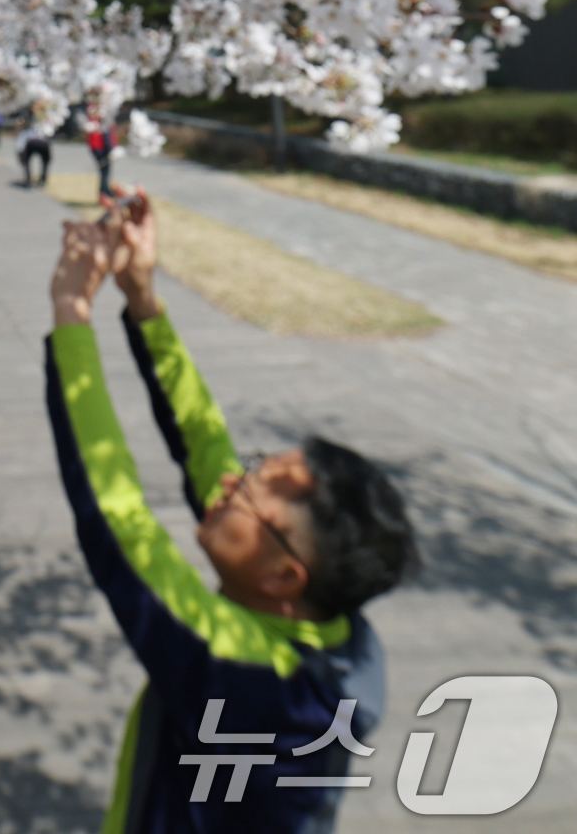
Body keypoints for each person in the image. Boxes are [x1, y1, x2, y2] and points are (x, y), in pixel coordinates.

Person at [46, 191, 418, 832]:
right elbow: (205, 441)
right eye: (257, 466)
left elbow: (118, 522)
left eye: (251, 490)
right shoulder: (334, 632)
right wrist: (143, 298)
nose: (230, 482)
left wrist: (71, 311)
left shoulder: (255, 681)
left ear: (283, 577)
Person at [15, 121, 52, 187]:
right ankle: (43, 179)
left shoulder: (25, 131)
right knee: (45, 161)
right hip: (43, 143)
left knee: (26, 161)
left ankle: (28, 179)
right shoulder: (44, 128)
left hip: (31, 142)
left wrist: (21, 155)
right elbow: (48, 138)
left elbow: (20, 143)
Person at [85, 116, 111, 197]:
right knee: (104, 171)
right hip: (100, 149)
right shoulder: (97, 122)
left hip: (96, 148)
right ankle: (104, 191)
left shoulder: (93, 121)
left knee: (104, 171)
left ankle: (104, 190)